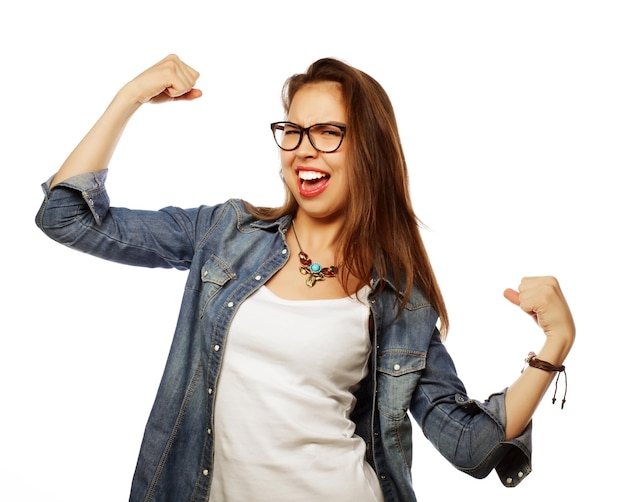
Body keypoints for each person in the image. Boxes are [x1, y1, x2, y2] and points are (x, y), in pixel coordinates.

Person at [35, 54, 575, 502]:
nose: (303, 149)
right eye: (292, 131)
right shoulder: (225, 233)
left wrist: (554, 345)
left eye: (327, 133)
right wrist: (131, 94)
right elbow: (67, 218)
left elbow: (471, 445)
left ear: (368, 152)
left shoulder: (396, 298)